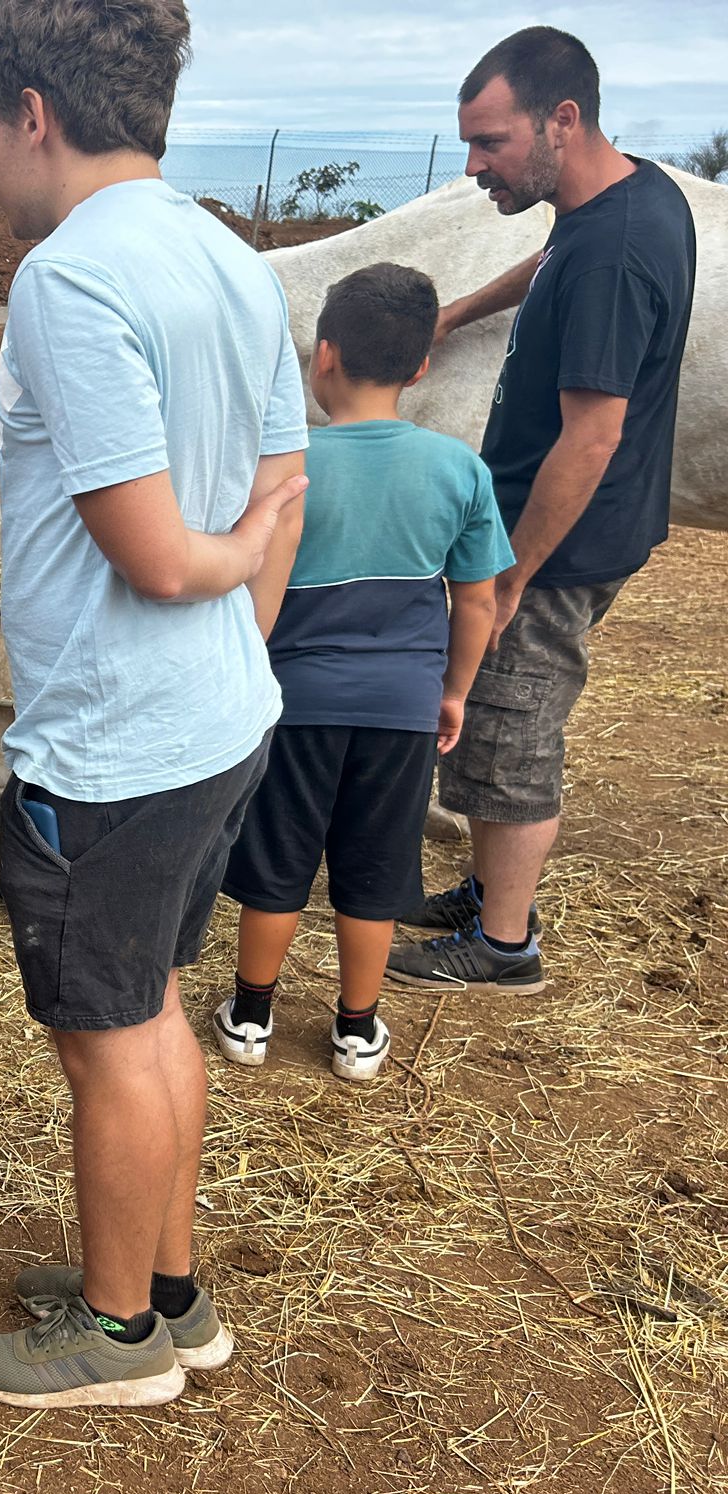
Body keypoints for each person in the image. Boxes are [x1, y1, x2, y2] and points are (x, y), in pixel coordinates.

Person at [0, 0, 311, 1410]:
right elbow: (288, 485)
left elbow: (162, 552)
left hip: (111, 744)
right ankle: (169, 1291)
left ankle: (112, 1341)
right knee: (151, 1007)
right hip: (217, 719)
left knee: (106, 1038)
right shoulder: (234, 257)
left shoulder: (69, 279)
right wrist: (238, 652)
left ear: (32, 109)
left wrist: (206, 584)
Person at [389, 27, 696, 992]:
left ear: (562, 119)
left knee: (513, 720)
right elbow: (546, 267)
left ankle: (506, 945)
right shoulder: (620, 197)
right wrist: (452, 314)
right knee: (496, 712)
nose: (474, 166)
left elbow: (591, 438)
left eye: (492, 142)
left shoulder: (616, 249)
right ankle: (490, 893)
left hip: (560, 541)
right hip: (554, 523)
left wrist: (512, 574)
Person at [215, 265, 514, 1081]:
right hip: (403, 707)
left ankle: (250, 1017)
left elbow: (250, 582)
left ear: (323, 358)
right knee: (375, 869)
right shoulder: (461, 472)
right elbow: (479, 603)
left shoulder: (289, 468)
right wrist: (452, 692)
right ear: (421, 367)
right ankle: (356, 1031)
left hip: (296, 703)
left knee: (277, 863)